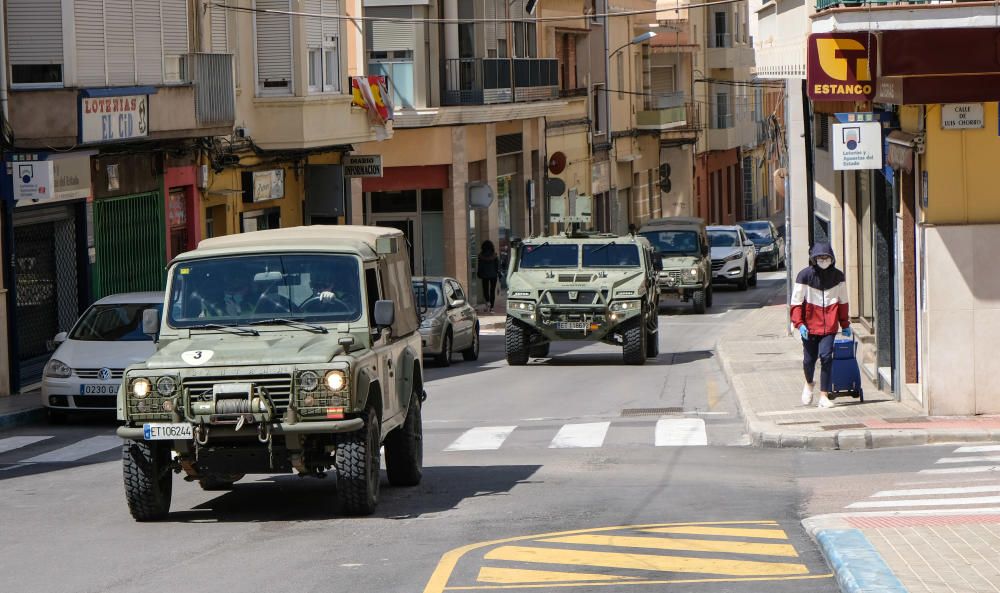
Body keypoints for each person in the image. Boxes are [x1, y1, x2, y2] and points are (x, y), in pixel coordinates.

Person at [791, 242, 851, 409]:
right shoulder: (804, 276)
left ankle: (824, 395)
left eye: (826, 257)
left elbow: (843, 301)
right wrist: (799, 324)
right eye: (819, 257)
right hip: (809, 326)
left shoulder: (838, 277)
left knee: (826, 357)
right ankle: (809, 383)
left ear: (832, 258)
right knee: (809, 360)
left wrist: (844, 323)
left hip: (829, 326)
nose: (823, 260)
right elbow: (796, 302)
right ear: (813, 258)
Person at [477, 240, 501, 313]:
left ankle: (488, 302)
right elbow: (497, 266)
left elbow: (480, 266)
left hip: (484, 275)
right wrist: (498, 273)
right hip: (493, 275)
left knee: (485, 290)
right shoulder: (494, 255)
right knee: (492, 291)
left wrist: (479, 273)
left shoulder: (481, 256)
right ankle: (492, 308)